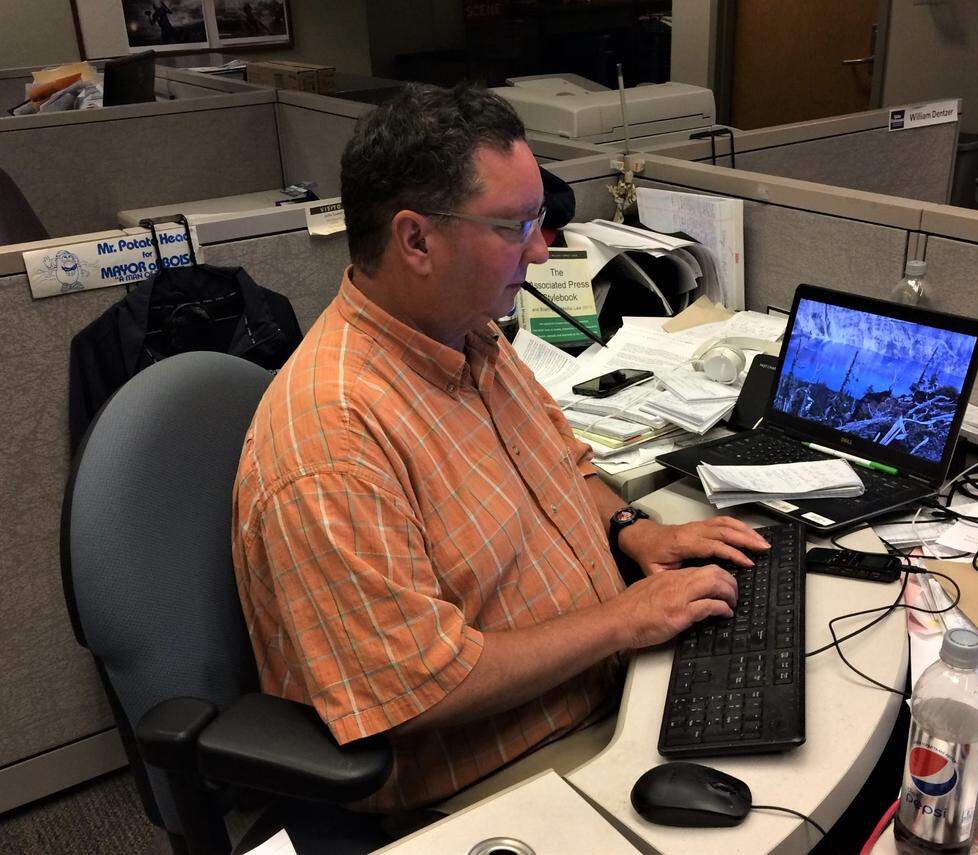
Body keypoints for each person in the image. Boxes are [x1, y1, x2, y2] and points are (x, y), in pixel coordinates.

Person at [231, 83, 769, 812]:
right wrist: (624, 618)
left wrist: (634, 532)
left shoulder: (470, 333)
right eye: (517, 227)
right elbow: (420, 684)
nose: (543, 251)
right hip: (500, 772)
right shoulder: (332, 439)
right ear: (415, 240)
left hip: (608, 687)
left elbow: (566, 464)